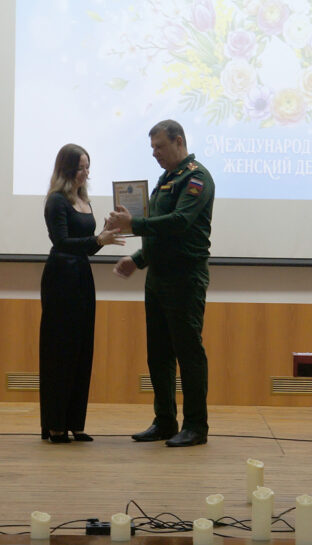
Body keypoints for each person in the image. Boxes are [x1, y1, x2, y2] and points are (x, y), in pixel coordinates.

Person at [109, 119, 215, 447]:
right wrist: (137, 259)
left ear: (179, 141)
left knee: (188, 353)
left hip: (185, 278)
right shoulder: (165, 179)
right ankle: (165, 421)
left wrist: (135, 223)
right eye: (152, 148)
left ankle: (196, 426)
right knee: (158, 355)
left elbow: (179, 223)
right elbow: (159, 235)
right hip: (158, 279)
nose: (155, 154)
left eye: (160, 147)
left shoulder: (196, 177)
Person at [40, 144, 124, 443]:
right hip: (60, 276)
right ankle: (54, 425)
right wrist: (96, 238)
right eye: (80, 167)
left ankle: (75, 422)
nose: (86, 172)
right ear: (66, 169)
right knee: (59, 350)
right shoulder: (56, 201)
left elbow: (87, 244)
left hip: (81, 276)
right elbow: (62, 242)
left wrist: (103, 235)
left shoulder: (83, 200)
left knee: (81, 348)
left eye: (88, 166)